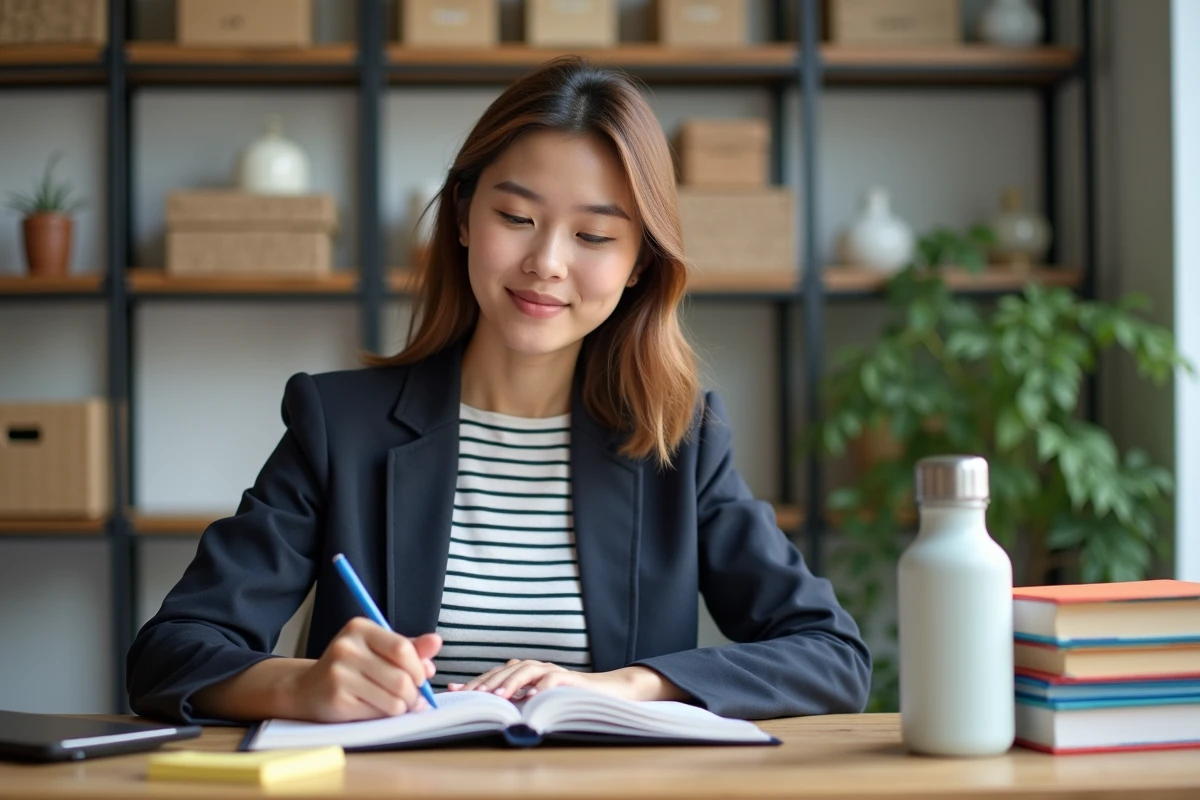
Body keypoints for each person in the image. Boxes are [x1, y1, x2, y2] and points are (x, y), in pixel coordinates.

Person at [126, 56, 871, 725]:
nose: (545, 262)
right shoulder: (341, 425)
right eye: (516, 218)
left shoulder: (680, 439)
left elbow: (832, 655)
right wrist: (301, 686)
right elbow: (171, 653)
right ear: (461, 216)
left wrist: (628, 685)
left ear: (640, 263)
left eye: (594, 237)